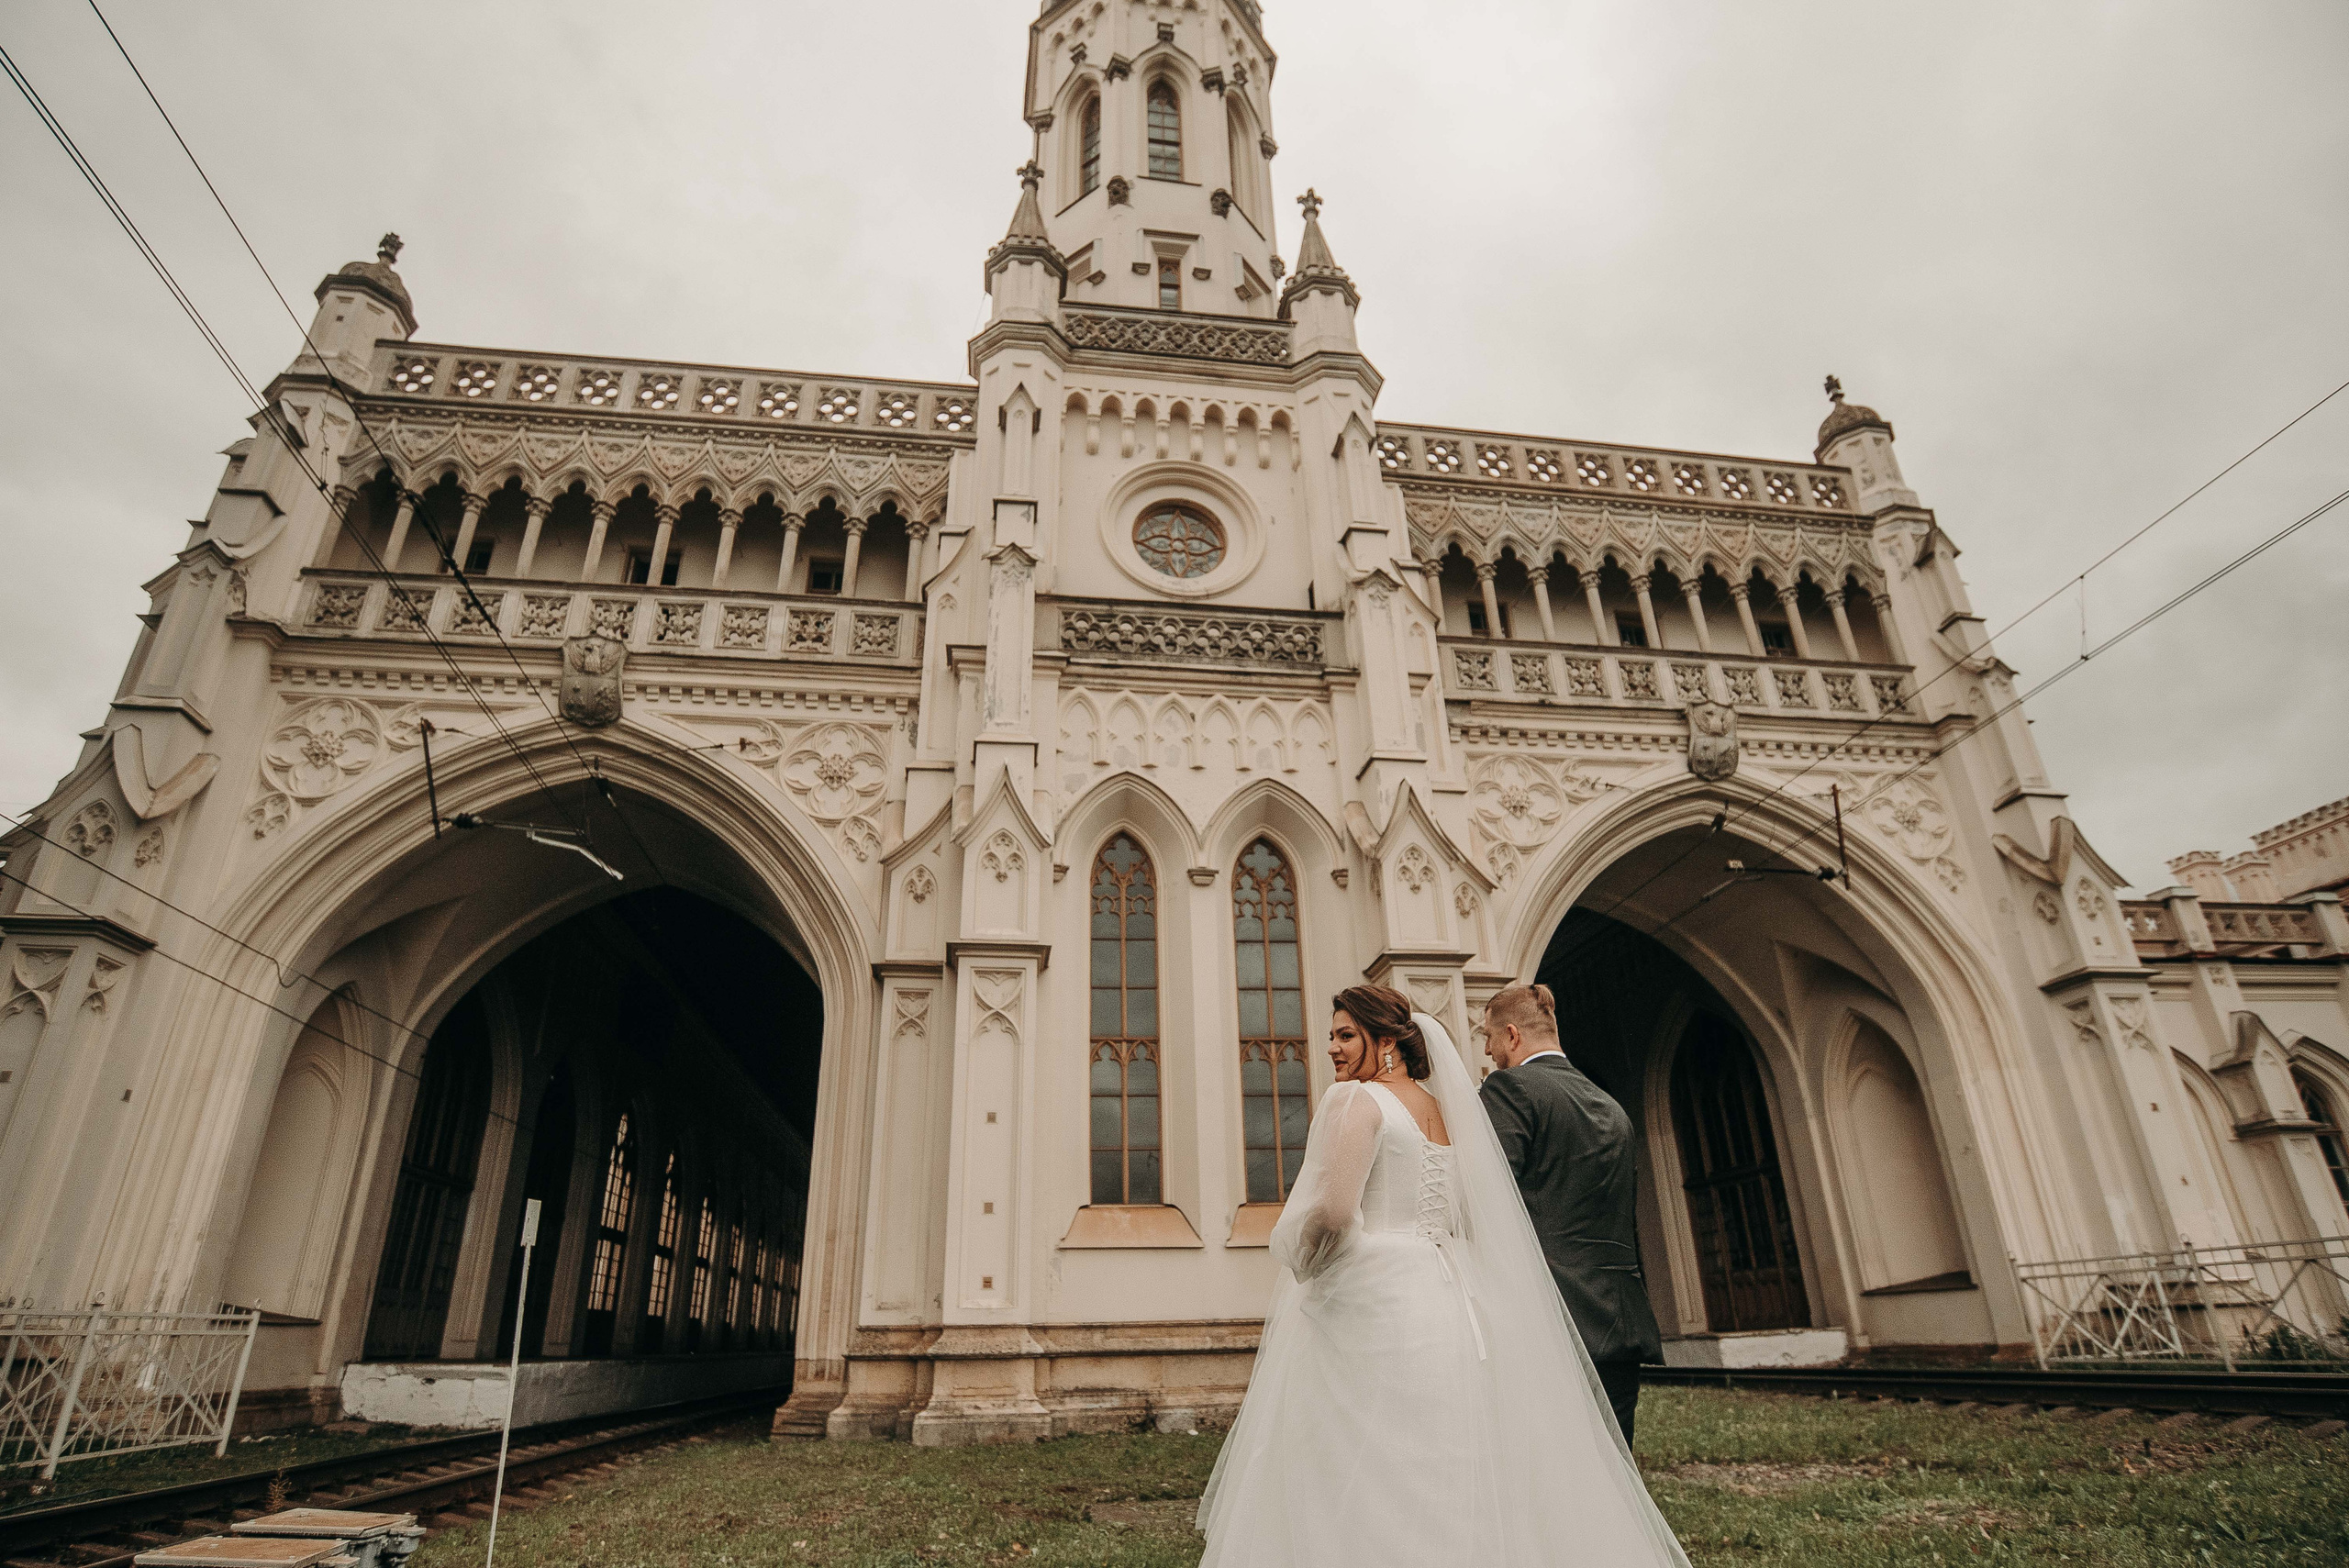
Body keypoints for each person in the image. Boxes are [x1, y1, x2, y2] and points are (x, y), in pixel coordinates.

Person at [1198, 984, 1687, 1567]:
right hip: (1455, 1294)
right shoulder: (1457, 1111)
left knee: (1351, 1451)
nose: (1330, 1047)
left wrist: (1305, 1260)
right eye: (1332, 1034)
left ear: (1386, 1042)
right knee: (1451, 1451)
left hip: (1375, 1292)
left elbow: (1332, 1212)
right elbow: (1472, 1205)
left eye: (1345, 1034)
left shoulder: (1358, 1101)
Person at [1477, 982, 1663, 1445]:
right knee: (1616, 1469)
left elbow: (1489, 1198)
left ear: (1514, 1036)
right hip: (1619, 1318)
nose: (1487, 1050)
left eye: (1490, 1037)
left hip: (1548, 1316)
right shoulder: (1611, 1106)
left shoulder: (1509, 1089)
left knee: (1548, 1470)